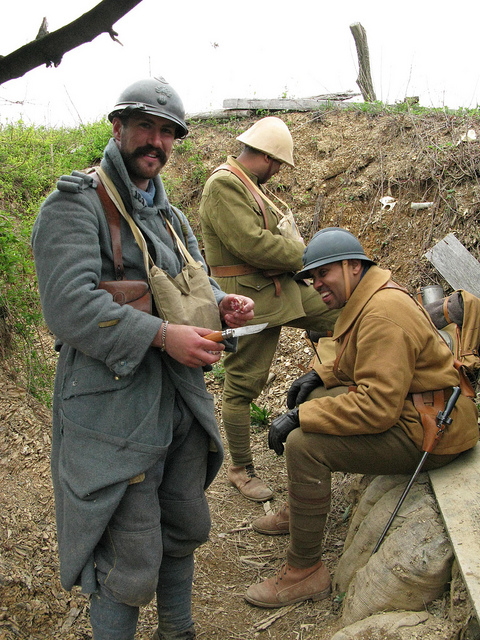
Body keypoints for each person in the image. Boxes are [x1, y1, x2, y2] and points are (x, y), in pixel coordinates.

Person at [31, 77, 255, 640]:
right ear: (118, 128)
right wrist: (161, 336)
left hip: (179, 400)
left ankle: (177, 632)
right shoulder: (74, 206)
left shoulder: (172, 219)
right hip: (112, 412)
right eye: (145, 127)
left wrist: (222, 309)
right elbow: (68, 306)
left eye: (167, 132)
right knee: (130, 555)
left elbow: (191, 290)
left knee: (184, 524)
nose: (155, 141)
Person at [245, 227, 479, 608]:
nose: (316, 284)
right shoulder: (371, 297)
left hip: (434, 433)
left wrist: (302, 416)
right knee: (319, 395)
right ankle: (302, 508)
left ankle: (305, 572)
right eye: (312, 277)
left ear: (353, 266)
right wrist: (319, 377)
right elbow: (362, 365)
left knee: (306, 445)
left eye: (324, 274)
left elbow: (376, 408)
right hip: (419, 411)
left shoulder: (383, 313)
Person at [199, 117, 338, 502]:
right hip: (248, 299)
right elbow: (254, 245)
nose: (277, 171)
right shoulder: (223, 185)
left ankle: (341, 396)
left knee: (343, 316)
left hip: (280, 288)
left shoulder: (249, 185)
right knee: (243, 384)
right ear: (263, 155)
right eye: (276, 163)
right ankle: (240, 468)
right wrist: (307, 257)